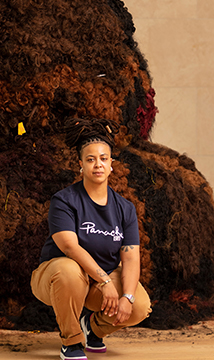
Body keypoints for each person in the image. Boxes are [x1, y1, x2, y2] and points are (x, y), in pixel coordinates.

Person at [31, 118, 152, 360]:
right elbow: (69, 247)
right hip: (56, 279)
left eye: (104, 159)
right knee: (68, 270)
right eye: (90, 159)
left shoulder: (125, 208)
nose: (98, 164)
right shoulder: (64, 200)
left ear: (111, 165)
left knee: (139, 305)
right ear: (81, 165)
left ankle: (92, 329)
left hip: (98, 284)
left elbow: (130, 260)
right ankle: (72, 342)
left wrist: (126, 297)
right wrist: (105, 281)